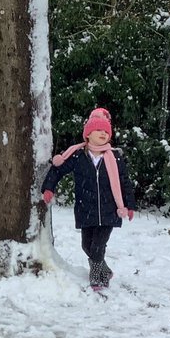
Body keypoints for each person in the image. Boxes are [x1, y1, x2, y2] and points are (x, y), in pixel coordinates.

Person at [42, 107, 136, 290]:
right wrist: (48, 188)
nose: (103, 133)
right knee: (87, 245)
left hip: (110, 210)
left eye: (106, 131)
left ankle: (97, 277)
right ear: (88, 134)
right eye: (98, 130)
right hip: (86, 209)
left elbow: (125, 182)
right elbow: (58, 170)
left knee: (97, 246)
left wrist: (129, 205)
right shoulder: (78, 155)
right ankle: (105, 270)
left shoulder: (114, 157)